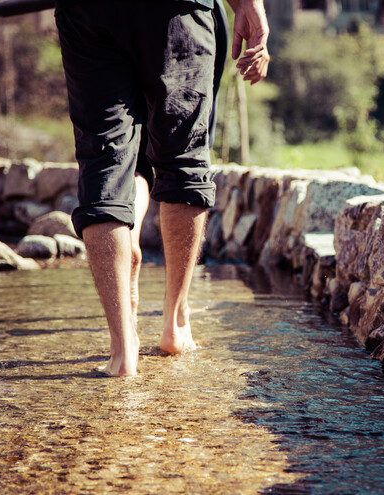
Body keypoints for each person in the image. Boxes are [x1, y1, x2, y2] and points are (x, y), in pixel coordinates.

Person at [55, 0, 270, 376]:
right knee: (182, 160)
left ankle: (123, 350)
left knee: (104, 166)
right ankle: (175, 321)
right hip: (175, 9)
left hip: (88, 11)